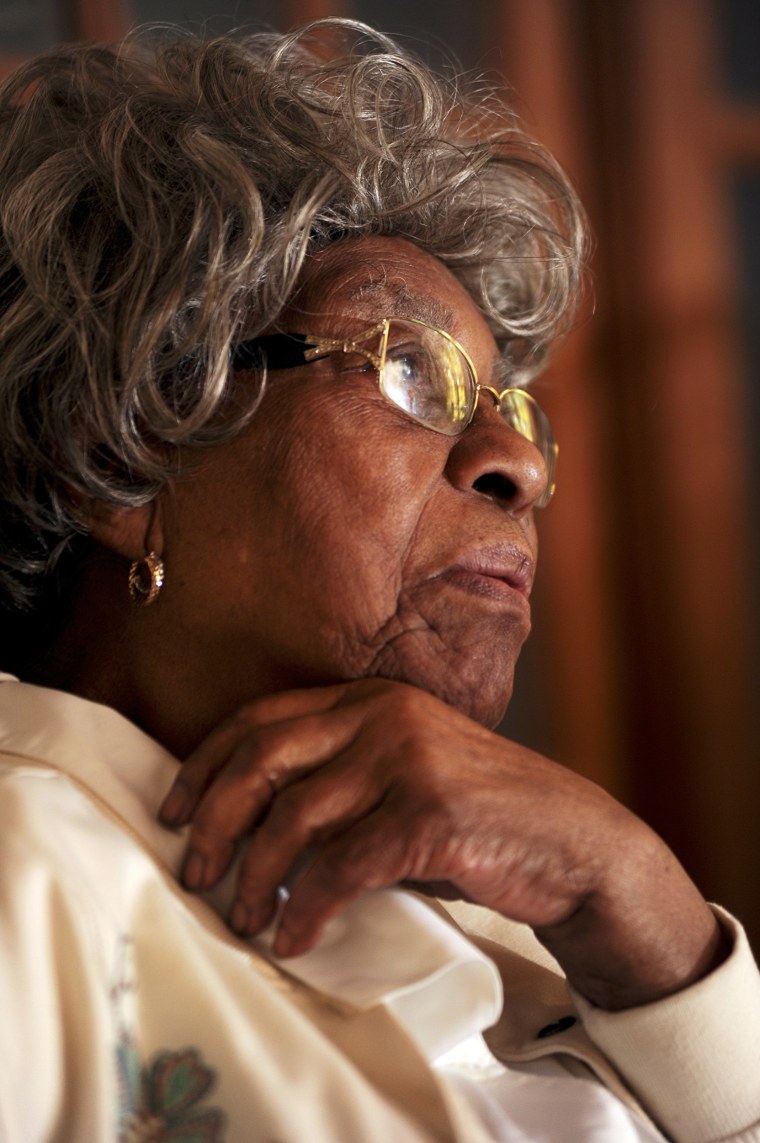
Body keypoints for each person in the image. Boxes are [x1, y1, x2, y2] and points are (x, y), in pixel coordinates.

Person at [0, 19, 758, 1143]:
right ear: (122, 458)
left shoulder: (548, 944)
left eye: (512, 409)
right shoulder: (27, 876)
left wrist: (650, 915)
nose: (525, 465)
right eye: (408, 368)